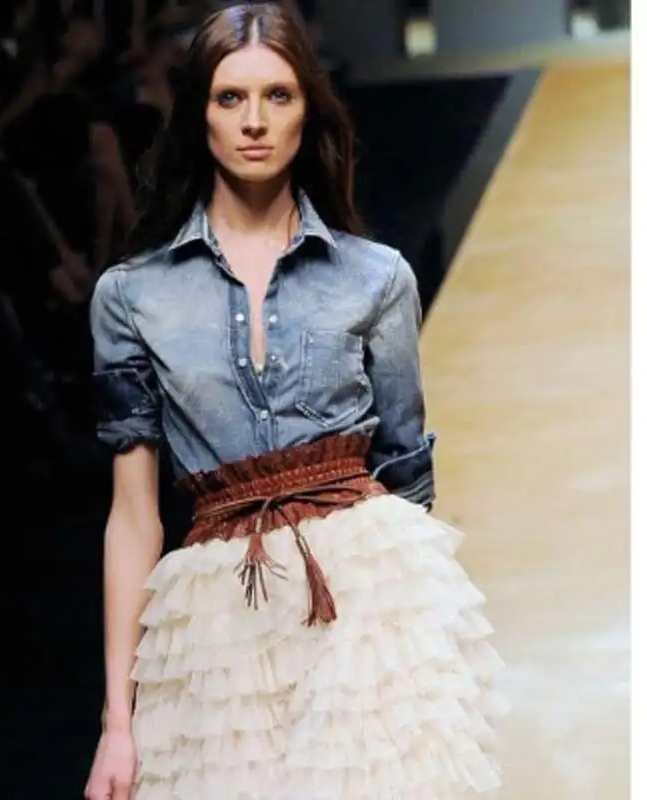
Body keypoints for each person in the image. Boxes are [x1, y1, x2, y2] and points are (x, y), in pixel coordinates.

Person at [85, 4, 507, 798]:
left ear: (308, 110)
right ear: (198, 114)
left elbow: (406, 477)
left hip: (368, 599)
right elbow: (133, 516)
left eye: (277, 95)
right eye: (230, 97)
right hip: (217, 615)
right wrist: (118, 721)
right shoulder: (131, 297)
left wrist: (423, 642)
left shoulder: (375, 278)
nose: (255, 121)